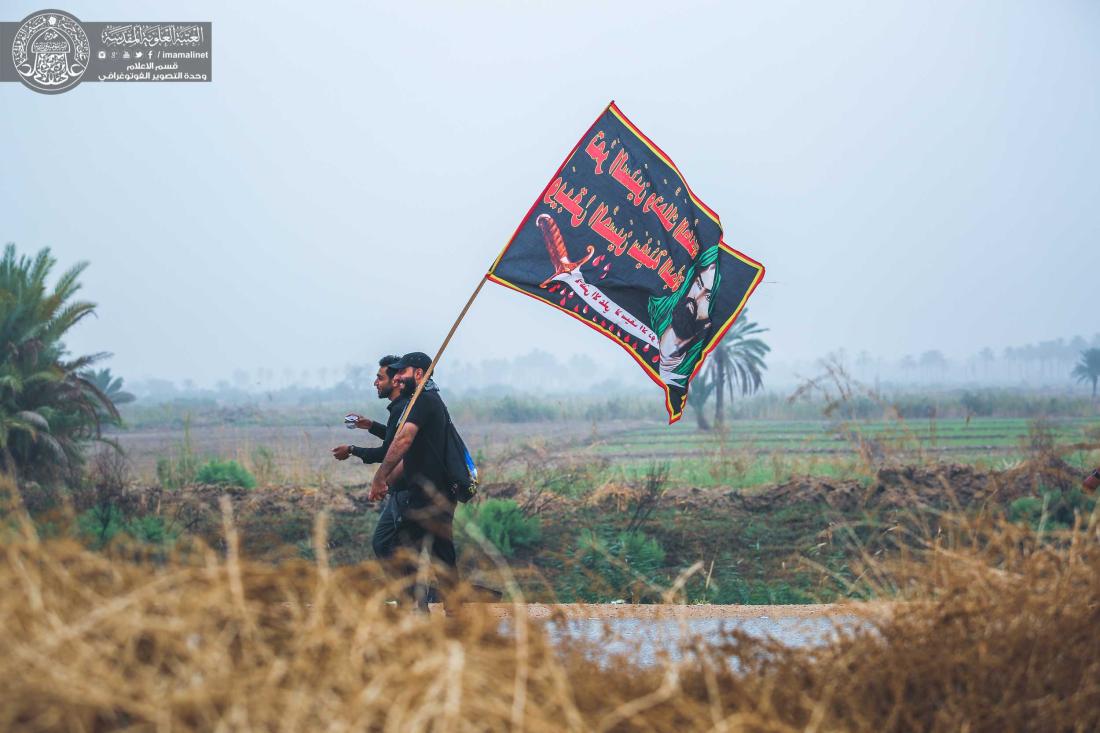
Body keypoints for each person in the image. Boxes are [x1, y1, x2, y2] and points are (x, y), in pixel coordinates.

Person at [369, 351, 457, 609]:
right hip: (439, 491)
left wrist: (380, 476)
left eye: (403, 372)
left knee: (408, 551)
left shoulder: (423, 401)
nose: (398, 377)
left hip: (426, 492)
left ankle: (415, 611)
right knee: (440, 552)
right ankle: (451, 610)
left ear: (419, 374)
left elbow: (403, 440)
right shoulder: (429, 400)